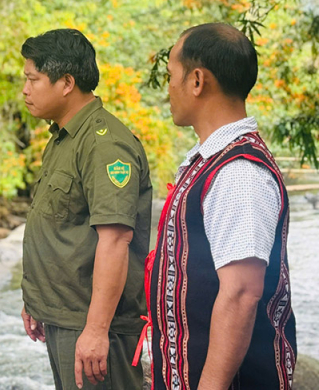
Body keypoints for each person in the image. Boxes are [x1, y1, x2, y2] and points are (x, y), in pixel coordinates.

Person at [149, 23, 297, 389]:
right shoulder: (213, 161)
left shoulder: (238, 172)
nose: (168, 88)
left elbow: (241, 293)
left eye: (172, 76)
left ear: (197, 81)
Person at [20, 29, 152, 390]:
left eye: (33, 79)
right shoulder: (63, 138)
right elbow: (60, 229)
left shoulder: (105, 145)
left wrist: (96, 331)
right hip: (65, 317)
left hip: (95, 325)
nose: (25, 90)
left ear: (66, 82)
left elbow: (115, 241)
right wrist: (36, 301)